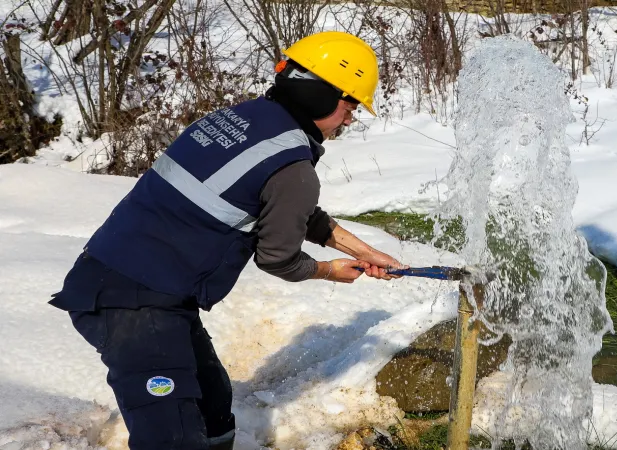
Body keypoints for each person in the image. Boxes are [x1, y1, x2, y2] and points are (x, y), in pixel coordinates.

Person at [49, 31, 406, 450]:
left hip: (127, 282)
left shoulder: (242, 120)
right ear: (320, 95)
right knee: (174, 438)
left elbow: (284, 207)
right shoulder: (293, 166)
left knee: (212, 406)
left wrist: (364, 251)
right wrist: (328, 271)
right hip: (134, 305)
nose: (349, 119)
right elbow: (279, 259)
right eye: (349, 106)